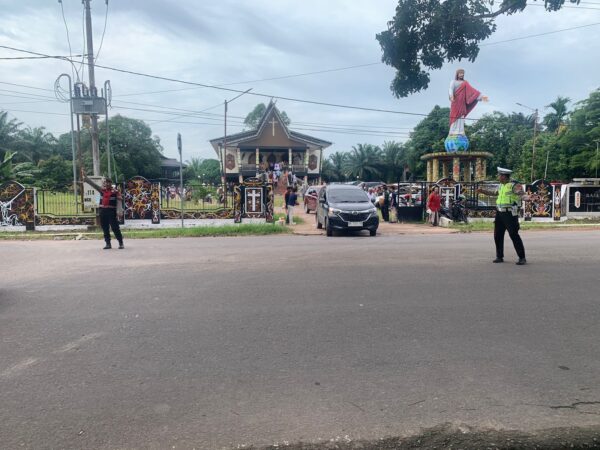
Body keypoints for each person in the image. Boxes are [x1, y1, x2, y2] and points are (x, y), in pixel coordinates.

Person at [477, 167, 528, 265]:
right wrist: (483, 191)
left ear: (504, 176)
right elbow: (494, 193)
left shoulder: (514, 185)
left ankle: (522, 257)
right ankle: (499, 256)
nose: (498, 177)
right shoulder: (500, 185)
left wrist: (528, 198)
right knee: (498, 235)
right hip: (500, 213)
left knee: (514, 235)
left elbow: (522, 195)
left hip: (510, 214)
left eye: (499, 175)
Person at [84, 175, 124, 250]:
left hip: (111, 212)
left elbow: (120, 201)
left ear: (111, 183)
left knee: (115, 228)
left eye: (108, 182)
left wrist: (120, 211)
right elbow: (94, 185)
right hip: (103, 211)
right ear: (104, 183)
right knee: (105, 228)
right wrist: (87, 180)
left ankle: (121, 243)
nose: (107, 184)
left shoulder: (115, 192)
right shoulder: (102, 190)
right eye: (106, 182)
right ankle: (108, 244)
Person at [449, 69, 488, 136]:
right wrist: (451, 95)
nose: (462, 74)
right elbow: (450, 89)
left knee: (461, 116)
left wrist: (482, 97)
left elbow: (472, 91)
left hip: (462, 103)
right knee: (454, 116)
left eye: (463, 73)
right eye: (460, 73)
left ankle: (460, 131)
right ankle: (452, 131)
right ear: (457, 74)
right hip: (455, 102)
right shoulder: (453, 82)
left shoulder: (465, 83)